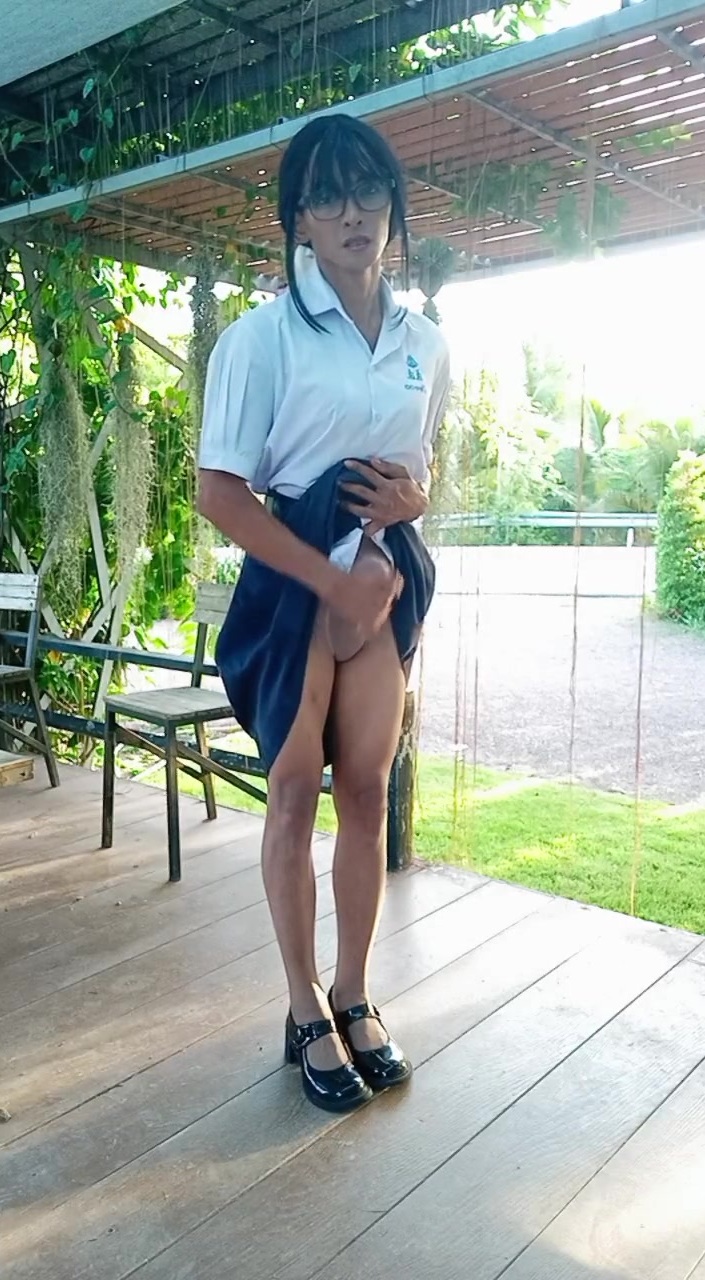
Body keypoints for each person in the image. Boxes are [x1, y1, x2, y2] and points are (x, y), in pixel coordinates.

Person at [198, 112, 451, 1114]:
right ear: (299, 217)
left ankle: (354, 991)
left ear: (393, 204)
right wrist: (329, 581)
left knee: (368, 791)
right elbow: (219, 492)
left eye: (370, 191)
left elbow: (420, 471)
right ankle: (303, 1006)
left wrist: (413, 501)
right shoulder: (260, 338)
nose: (354, 214)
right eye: (329, 196)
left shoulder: (424, 343)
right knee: (295, 790)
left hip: (380, 584)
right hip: (297, 587)